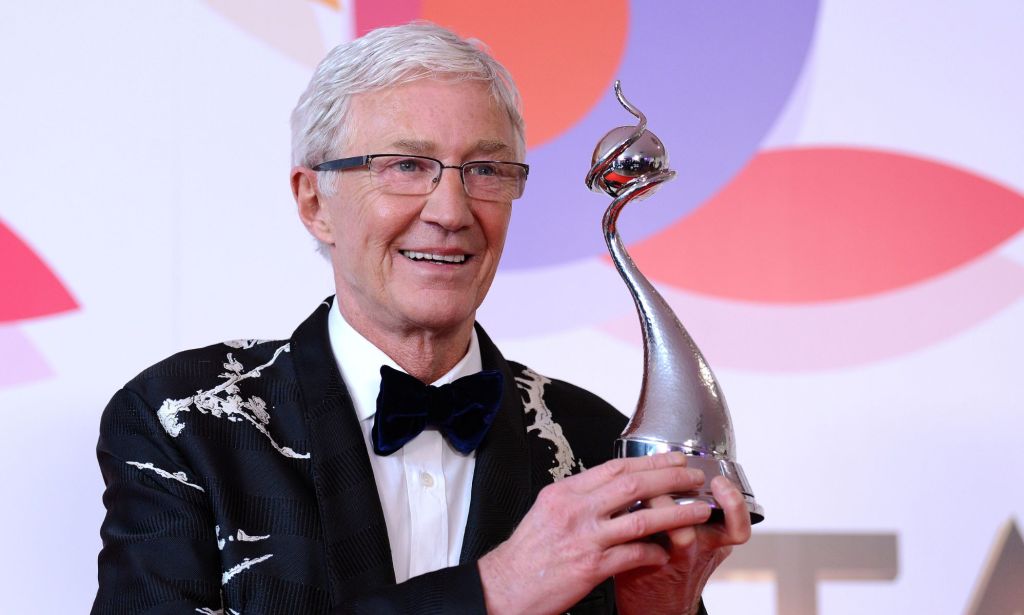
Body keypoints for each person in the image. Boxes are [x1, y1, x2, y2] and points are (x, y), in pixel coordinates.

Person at [93, 22, 750, 615]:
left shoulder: (595, 442)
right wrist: (494, 591)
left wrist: (658, 609)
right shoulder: (187, 420)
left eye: (486, 169)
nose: (452, 210)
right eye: (407, 166)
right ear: (314, 201)